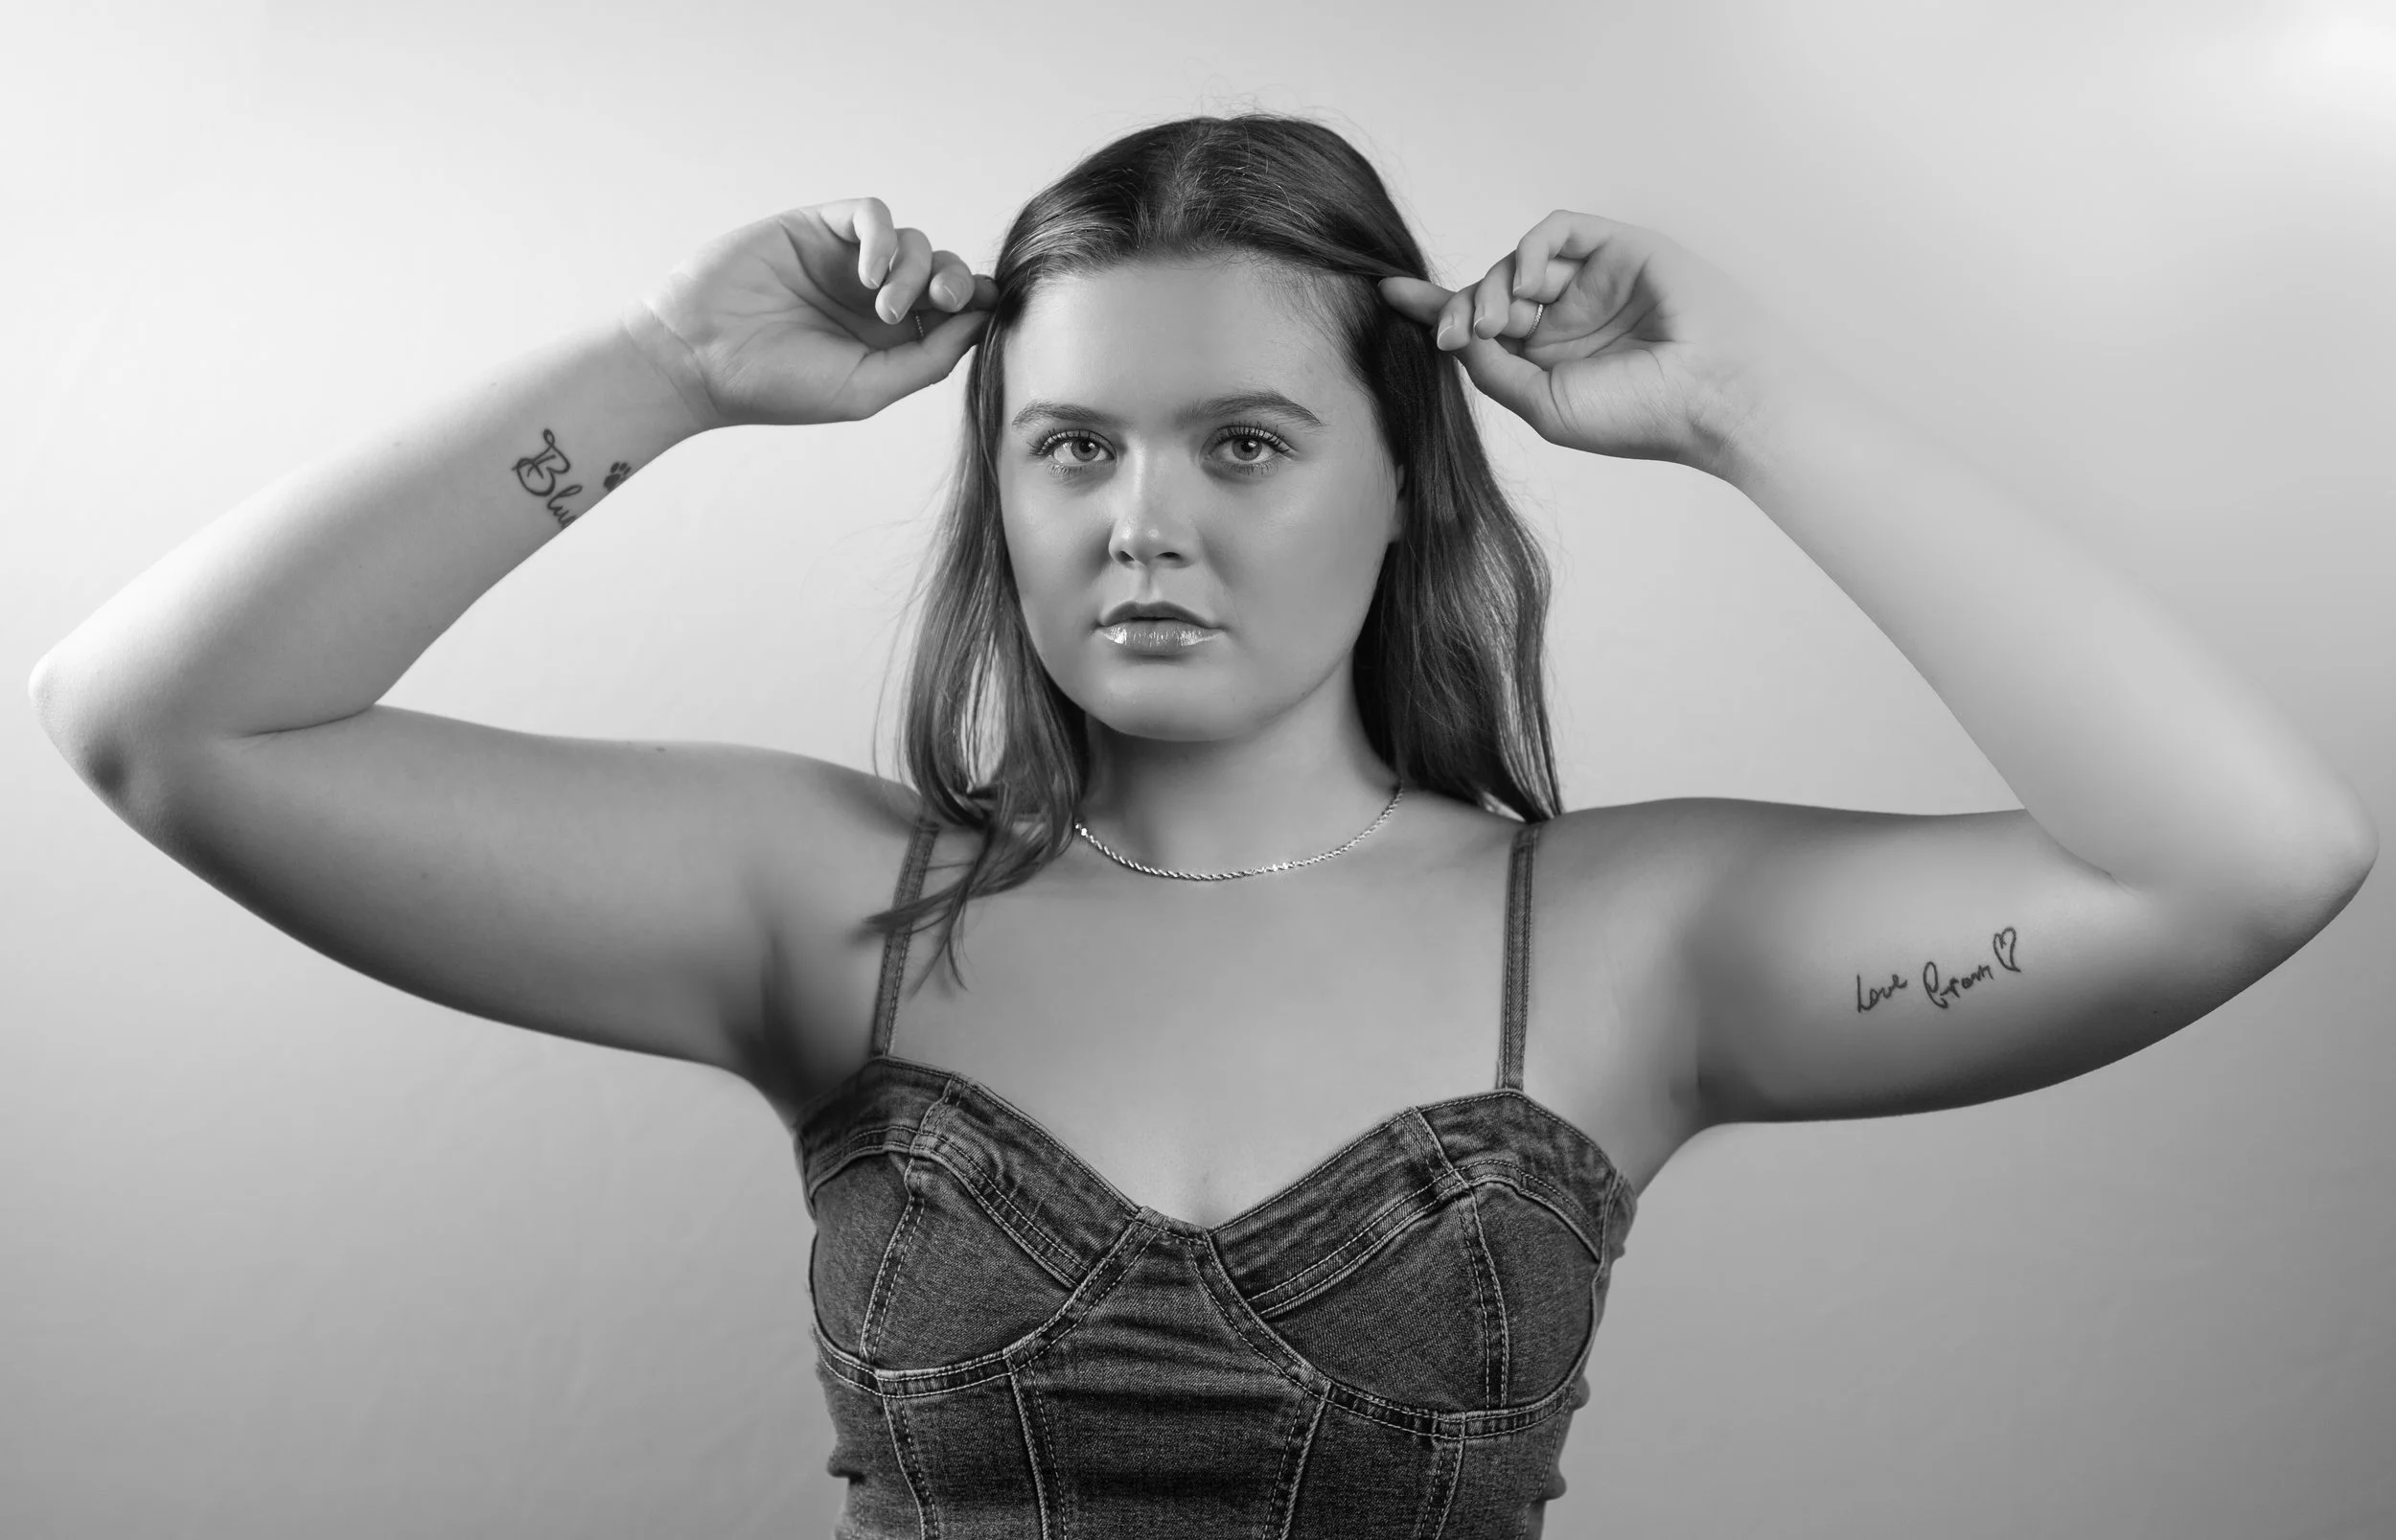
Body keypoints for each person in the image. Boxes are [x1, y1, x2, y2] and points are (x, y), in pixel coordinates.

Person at [30, 113, 2376, 1536]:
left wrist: (1747, 402)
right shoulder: (834, 908)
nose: (1139, 520)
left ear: (1402, 480)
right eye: (1071, 446)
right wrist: (661, 370)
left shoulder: (1613, 940)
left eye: (1241, 440)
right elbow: (157, 722)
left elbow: (2242, 859)